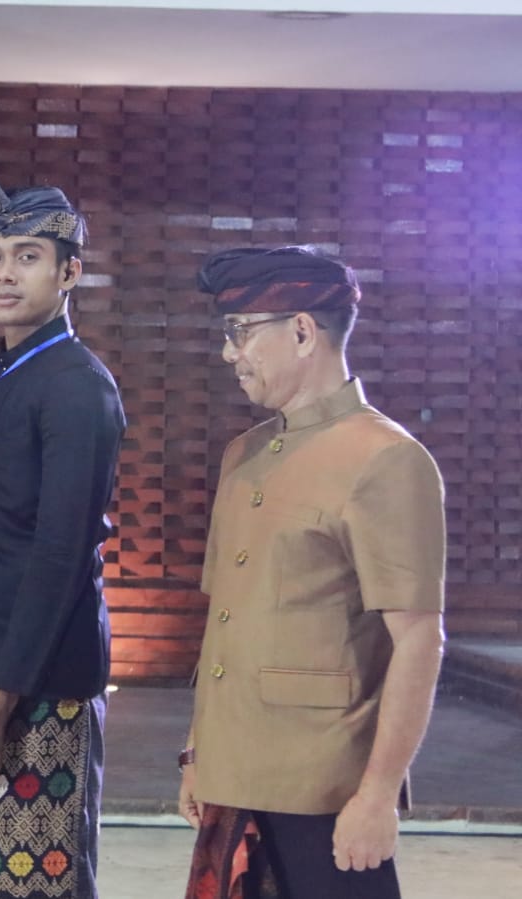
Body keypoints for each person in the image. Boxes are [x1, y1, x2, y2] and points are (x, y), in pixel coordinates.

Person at [178, 247, 445, 899]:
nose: (229, 353)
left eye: (241, 332)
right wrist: (197, 751)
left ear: (301, 331)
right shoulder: (244, 454)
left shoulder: (387, 458)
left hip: (325, 786)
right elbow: (226, 623)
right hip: (235, 774)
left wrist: (378, 794)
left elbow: (418, 639)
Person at [0, 177, 126, 899]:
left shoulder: (78, 388)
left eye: (28, 256)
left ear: (70, 272)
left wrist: (3, 693)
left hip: (39, 681)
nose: (5, 274)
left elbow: (60, 553)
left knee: (36, 882)